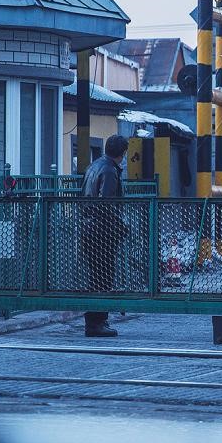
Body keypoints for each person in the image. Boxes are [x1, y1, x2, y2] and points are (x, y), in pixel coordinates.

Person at [79, 134, 130, 337]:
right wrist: (121, 224)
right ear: (122, 153)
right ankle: (97, 322)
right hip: (102, 232)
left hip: (89, 228)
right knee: (103, 277)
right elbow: (106, 204)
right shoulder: (110, 171)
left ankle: (95, 321)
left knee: (96, 276)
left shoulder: (94, 166)